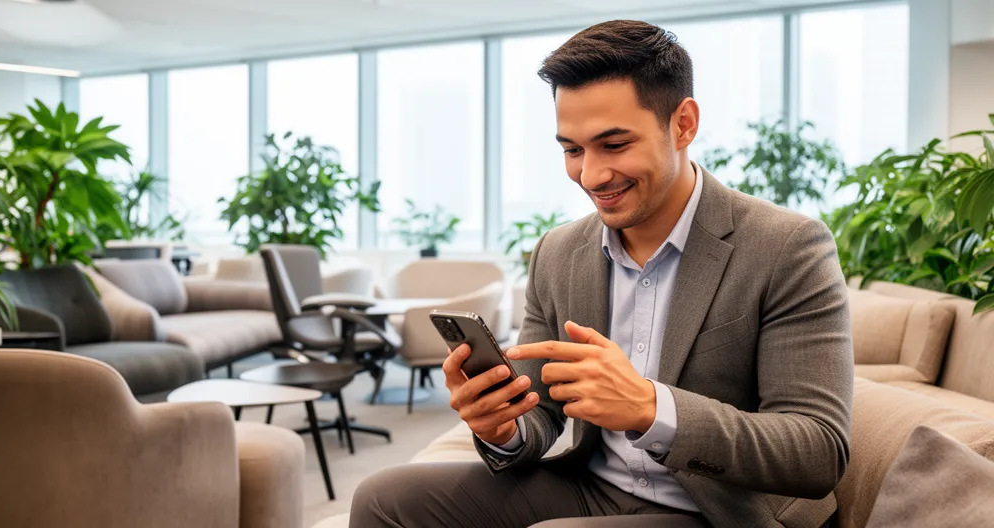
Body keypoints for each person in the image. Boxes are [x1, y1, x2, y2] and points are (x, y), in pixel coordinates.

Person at [352, 19, 853, 528]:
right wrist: (503, 429)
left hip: (721, 511)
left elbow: (818, 451)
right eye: (572, 150)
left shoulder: (787, 246)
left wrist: (650, 407)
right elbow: (539, 412)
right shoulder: (558, 252)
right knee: (383, 497)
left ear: (683, 124)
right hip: (595, 487)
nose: (590, 175)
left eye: (614, 145)